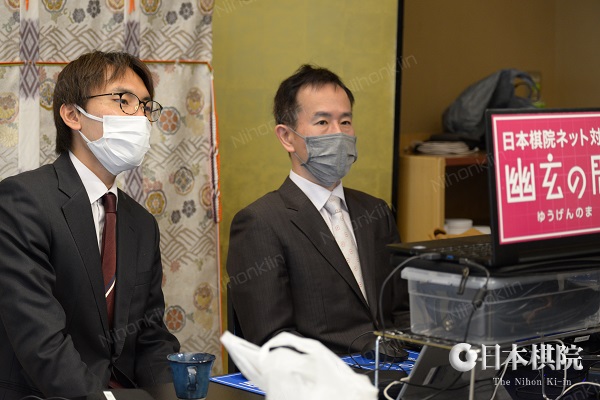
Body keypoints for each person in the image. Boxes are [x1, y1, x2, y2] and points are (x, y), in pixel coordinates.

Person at [0, 51, 180, 399]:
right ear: (72, 115)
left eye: (145, 105)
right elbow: (39, 339)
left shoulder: (142, 223)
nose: (140, 117)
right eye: (123, 100)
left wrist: (169, 395)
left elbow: (152, 336)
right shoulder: (22, 201)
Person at [226, 64, 409, 355]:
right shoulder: (260, 222)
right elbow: (274, 339)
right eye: (322, 122)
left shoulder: (375, 212)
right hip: (320, 376)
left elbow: (403, 311)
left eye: (345, 122)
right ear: (287, 137)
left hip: (394, 371)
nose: (338, 133)